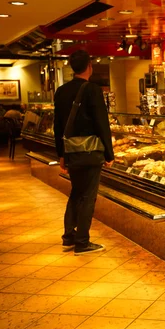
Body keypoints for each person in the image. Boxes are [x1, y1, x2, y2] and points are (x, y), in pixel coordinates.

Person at [54, 50, 114, 255]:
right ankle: (82, 242)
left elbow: (58, 126)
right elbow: (102, 123)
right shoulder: (93, 90)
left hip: (71, 152)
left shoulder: (61, 91)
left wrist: (61, 154)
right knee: (88, 196)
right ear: (89, 66)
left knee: (75, 194)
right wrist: (109, 153)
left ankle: (69, 237)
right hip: (90, 153)